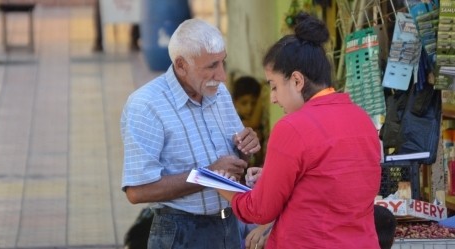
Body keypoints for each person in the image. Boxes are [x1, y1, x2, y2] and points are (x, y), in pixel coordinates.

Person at [215, 12, 382, 248]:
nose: (272, 98)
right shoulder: (361, 118)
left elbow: (259, 211)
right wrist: (273, 176)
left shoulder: (292, 127)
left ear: (296, 81)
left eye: (274, 86)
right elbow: (334, 184)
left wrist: (222, 186)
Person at [120, 18, 261, 249]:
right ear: (181, 65)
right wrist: (207, 175)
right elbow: (137, 191)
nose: (222, 75)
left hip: (229, 226)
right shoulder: (146, 105)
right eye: (211, 66)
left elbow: (235, 166)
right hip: (180, 232)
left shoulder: (219, 93)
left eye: (222, 62)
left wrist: (246, 148)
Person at [232, 76, 266, 167]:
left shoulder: (263, 124)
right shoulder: (234, 123)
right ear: (235, 102)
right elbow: (253, 123)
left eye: (254, 103)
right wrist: (263, 92)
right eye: (244, 103)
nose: (249, 108)